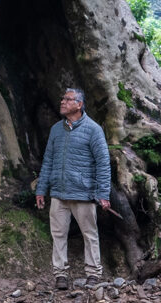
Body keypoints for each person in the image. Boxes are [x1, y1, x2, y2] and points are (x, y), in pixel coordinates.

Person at [35, 88, 112, 290]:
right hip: (59, 193)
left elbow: (103, 163)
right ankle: (60, 274)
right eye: (62, 99)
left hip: (83, 194)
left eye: (68, 99)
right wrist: (41, 189)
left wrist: (103, 194)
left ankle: (93, 273)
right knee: (58, 235)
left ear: (79, 104)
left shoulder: (93, 129)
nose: (62, 102)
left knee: (90, 234)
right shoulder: (56, 130)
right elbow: (48, 160)